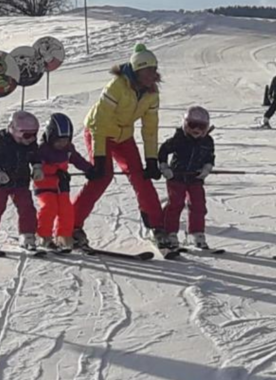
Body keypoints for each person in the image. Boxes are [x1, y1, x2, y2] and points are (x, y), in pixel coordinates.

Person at [72, 43, 167, 249]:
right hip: (99, 132)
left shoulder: (151, 93)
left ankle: (157, 227)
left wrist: (151, 159)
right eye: (148, 70)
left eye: (154, 69)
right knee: (102, 176)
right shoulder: (117, 86)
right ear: (137, 71)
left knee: (141, 177)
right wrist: (98, 158)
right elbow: (100, 122)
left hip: (123, 135)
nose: (153, 74)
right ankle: (71, 226)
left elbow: (150, 128)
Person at [0, 110, 43, 252]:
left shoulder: (30, 144)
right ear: (15, 130)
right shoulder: (2, 143)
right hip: (1, 183)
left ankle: (27, 234)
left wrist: (37, 168)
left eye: (34, 134)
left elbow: (35, 156)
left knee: (27, 208)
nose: (31, 139)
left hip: (21, 181)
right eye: (27, 135)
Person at [34, 112, 96, 252]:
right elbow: (38, 167)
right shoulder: (43, 150)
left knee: (66, 210)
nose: (62, 143)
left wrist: (89, 170)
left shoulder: (68, 149)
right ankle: (44, 237)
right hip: (45, 184)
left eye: (66, 140)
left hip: (62, 185)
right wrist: (55, 171)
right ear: (51, 136)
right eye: (59, 140)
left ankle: (63, 237)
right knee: (49, 207)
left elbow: (77, 159)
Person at [159, 106, 215, 250]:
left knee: (198, 205)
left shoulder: (207, 141)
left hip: (195, 178)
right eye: (192, 125)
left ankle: (197, 233)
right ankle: (170, 232)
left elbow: (210, 156)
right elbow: (163, 150)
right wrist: (164, 167)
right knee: (175, 204)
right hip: (176, 177)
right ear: (185, 124)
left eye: (201, 126)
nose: (196, 130)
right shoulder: (179, 139)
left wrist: (207, 168)